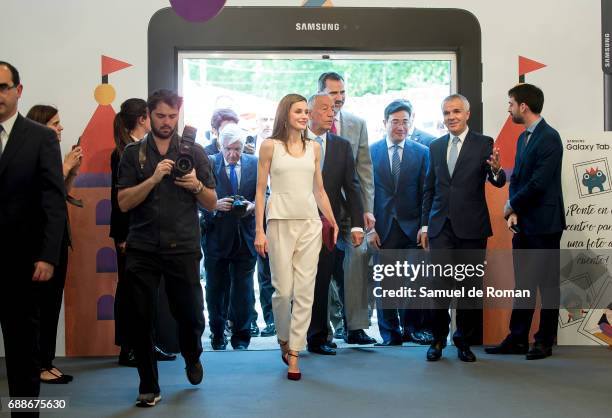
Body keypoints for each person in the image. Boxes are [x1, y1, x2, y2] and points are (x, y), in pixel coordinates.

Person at [117, 89, 216, 406]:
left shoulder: (195, 153)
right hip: (142, 248)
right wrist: (152, 180)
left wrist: (196, 185)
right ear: (148, 115)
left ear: (179, 112)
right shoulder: (134, 154)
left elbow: (212, 203)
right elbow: (123, 202)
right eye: (160, 116)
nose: (167, 122)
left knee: (189, 314)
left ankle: (192, 355)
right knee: (141, 318)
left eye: (172, 116)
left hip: (183, 246)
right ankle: (148, 384)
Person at [254, 93, 338, 380]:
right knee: (283, 292)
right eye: (298, 111)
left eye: (306, 111)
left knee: (305, 292)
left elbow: (319, 190)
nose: (304, 116)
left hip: (310, 224)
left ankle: (295, 353)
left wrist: (332, 219)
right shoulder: (269, 146)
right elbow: (259, 192)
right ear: (285, 114)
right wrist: (259, 231)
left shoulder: (314, 148)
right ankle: (283, 337)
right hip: (279, 222)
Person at [0, 61, 67, 418]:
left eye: (3, 87)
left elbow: (53, 201)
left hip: (22, 262)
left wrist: (47, 255)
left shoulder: (40, 137)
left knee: (22, 351)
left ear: (18, 91)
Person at [421, 94, 505, 362]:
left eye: (456, 112)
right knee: (439, 287)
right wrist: (425, 225)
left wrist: (496, 171)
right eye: (446, 113)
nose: (451, 117)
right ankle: (437, 340)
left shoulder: (484, 143)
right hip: (440, 227)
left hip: (472, 228)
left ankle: (464, 341)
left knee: (469, 288)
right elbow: (429, 188)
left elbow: (497, 181)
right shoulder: (434, 146)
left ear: (467, 114)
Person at [486, 83, 565, 360]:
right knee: (524, 284)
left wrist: (511, 204)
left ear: (523, 106)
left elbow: (539, 183)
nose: (508, 109)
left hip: (546, 225)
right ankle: (518, 338)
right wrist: (514, 211)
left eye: (510, 103)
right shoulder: (523, 138)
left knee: (548, 286)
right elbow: (518, 177)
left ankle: (544, 341)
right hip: (525, 223)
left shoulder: (550, 138)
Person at [110, 98, 176, 367]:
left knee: (142, 296)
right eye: (154, 115)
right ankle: (130, 348)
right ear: (143, 119)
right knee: (130, 295)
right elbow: (120, 200)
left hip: (143, 233)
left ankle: (142, 345)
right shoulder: (125, 152)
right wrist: (123, 236)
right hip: (130, 233)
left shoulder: (142, 150)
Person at [318, 72, 376, 345]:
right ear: (320, 94)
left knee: (359, 258)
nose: (339, 98)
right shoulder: (310, 122)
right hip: (320, 207)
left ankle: (356, 327)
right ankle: (324, 330)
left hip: (352, 207)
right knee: (322, 267)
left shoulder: (357, 123)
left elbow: (364, 170)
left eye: (342, 92)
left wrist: (367, 209)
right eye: (333, 93)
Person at [25, 104, 82, 384]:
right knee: (39, 307)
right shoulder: (29, 157)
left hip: (57, 240)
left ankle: (45, 362)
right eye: (55, 124)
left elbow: (59, 196)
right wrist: (66, 166)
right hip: (38, 244)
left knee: (51, 306)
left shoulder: (48, 156)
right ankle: (37, 365)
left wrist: (71, 173)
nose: (60, 128)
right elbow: (37, 197)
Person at [305, 93, 364, 356]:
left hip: (330, 225)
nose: (332, 113)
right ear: (309, 112)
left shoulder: (341, 146)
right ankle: (294, 335)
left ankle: (317, 337)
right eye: (325, 108)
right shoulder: (294, 141)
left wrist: (357, 225)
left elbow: (352, 187)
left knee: (322, 280)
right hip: (299, 222)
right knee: (298, 284)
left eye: (333, 109)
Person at [368, 99, 429, 346]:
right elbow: (365, 192)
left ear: (411, 123)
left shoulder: (422, 152)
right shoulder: (370, 153)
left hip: (413, 228)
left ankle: (411, 328)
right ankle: (390, 333)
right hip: (383, 228)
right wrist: (369, 228)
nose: (400, 126)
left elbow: (427, 192)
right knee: (387, 284)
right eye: (395, 121)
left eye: (405, 121)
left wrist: (425, 226)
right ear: (385, 123)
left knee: (414, 281)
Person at [202, 123, 258, 350]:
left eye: (238, 149)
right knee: (216, 288)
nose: (234, 154)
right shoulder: (209, 162)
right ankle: (217, 333)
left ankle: (242, 337)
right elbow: (196, 195)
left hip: (245, 235)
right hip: (216, 236)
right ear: (220, 146)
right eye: (229, 149)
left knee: (243, 290)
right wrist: (214, 206)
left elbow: (264, 192)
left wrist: (252, 206)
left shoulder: (254, 163)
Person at [244, 109, 277, 337]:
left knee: (277, 273)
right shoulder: (246, 148)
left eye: (270, 119)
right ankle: (261, 320)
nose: (267, 123)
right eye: (263, 119)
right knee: (261, 274)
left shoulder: (280, 146)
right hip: (251, 219)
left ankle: (276, 320)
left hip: (277, 214)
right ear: (256, 123)